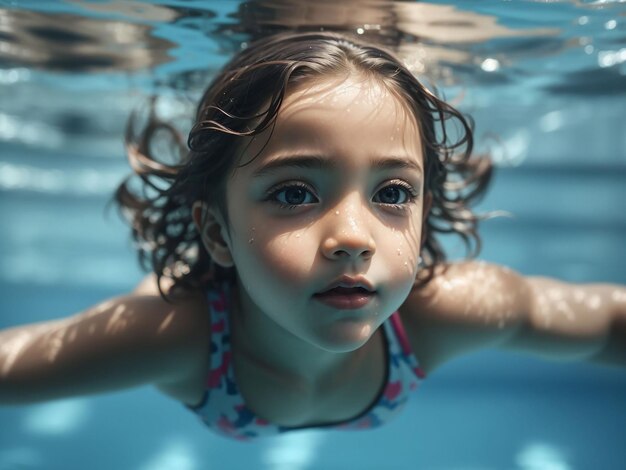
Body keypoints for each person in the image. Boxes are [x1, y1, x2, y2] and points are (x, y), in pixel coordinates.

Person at [0, 32, 624, 441]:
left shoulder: (443, 311)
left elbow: (603, 324)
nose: (353, 237)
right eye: (295, 193)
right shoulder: (176, 336)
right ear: (214, 232)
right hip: (216, 292)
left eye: (392, 193)